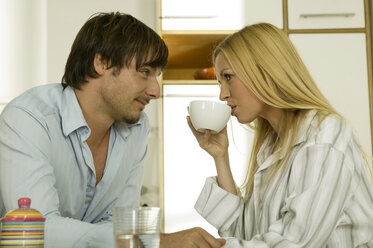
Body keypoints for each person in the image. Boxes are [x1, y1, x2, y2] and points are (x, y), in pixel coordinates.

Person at [0, 12, 225, 248]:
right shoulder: (30, 119)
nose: (155, 91)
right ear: (102, 63)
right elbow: (37, 229)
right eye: (145, 72)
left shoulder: (137, 128)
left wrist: (144, 241)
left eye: (157, 76)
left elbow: (120, 227)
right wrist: (157, 242)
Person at [187, 22, 373, 247]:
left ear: (265, 71)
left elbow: (293, 242)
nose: (222, 95)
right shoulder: (271, 146)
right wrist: (220, 156)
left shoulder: (325, 137)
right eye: (219, 82)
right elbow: (247, 234)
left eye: (228, 77)